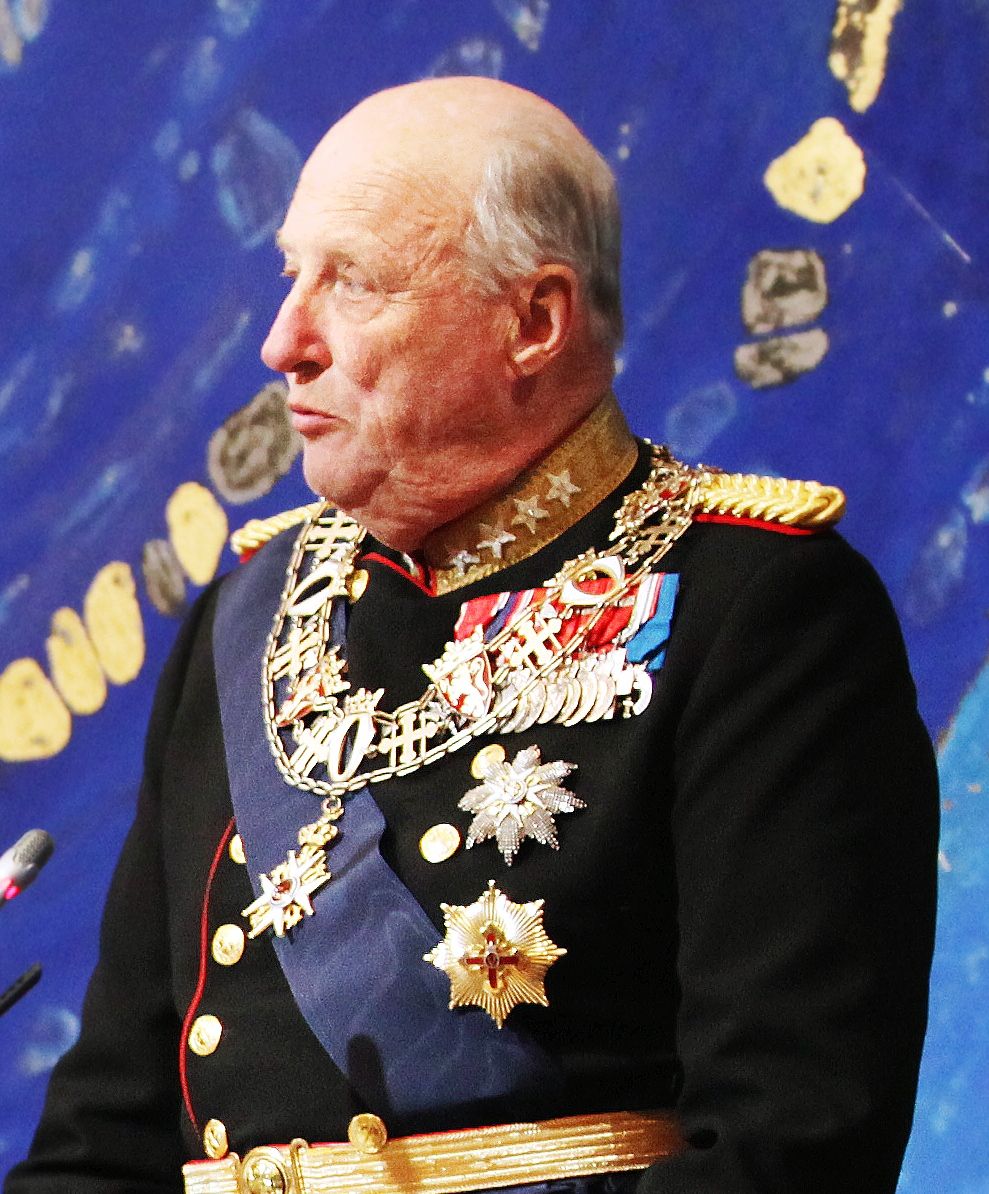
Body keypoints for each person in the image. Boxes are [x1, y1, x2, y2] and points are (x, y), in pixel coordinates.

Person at [5, 77, 937, 1194]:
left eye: (352, 282)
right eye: (290, 275)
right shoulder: (243, 618)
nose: (282, 342)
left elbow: (787, 1149)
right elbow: (106, 1139)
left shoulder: (753, 607)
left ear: (531, 322)